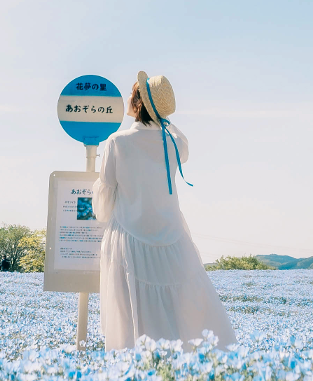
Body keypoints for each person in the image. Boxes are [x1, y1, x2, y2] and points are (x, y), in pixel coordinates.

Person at [94, 72, 236, 350]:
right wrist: (161, 118)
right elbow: (181, 142)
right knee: (180, 308)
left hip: (129, 238)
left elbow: (105, 195)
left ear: (138, 102)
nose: (128, 99)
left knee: (129, 312)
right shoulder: (174, 143)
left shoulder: (117, 142)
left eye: (132, 95)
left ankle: (134, 367)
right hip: (172, 238)